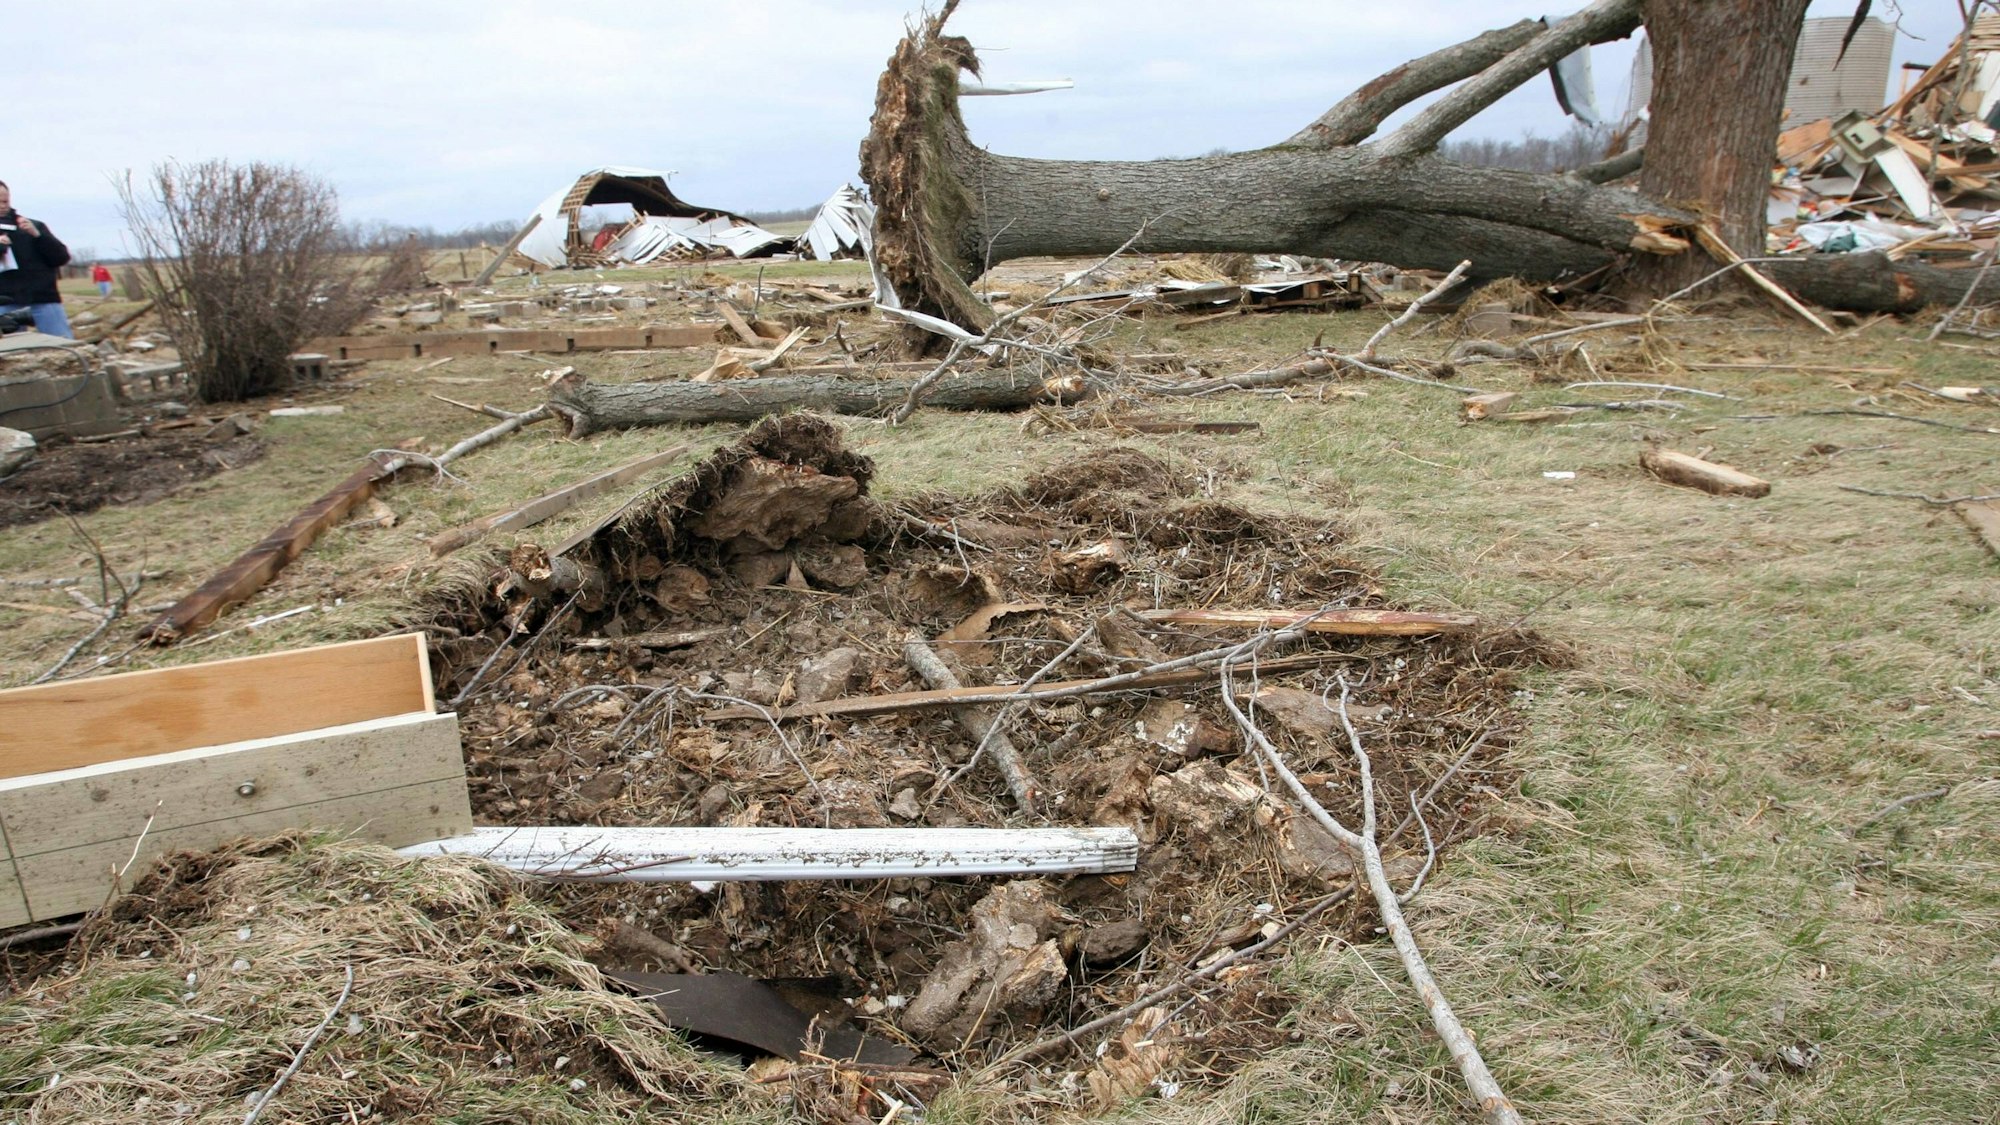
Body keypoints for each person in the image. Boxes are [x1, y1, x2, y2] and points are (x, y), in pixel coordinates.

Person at [0, 180, 74, 338]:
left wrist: (38, 236)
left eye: (5, 201)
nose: (2, 205)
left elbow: (61, 258)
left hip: (43, 298)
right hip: (5, 302)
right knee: (10, 354)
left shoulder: (33, 226)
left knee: (62, 345)